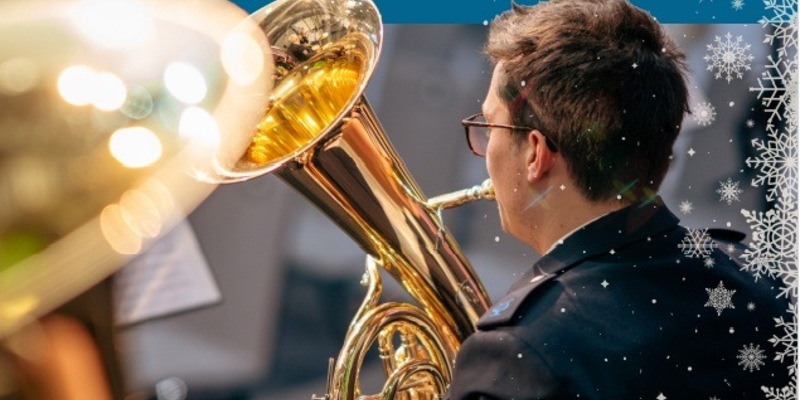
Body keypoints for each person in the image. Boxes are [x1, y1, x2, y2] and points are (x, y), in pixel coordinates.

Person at [446, 0, 792, 398]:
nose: (485, 146)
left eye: (490, 125)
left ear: (535, 154)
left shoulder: (518, 355)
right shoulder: (758, 283)